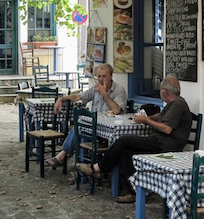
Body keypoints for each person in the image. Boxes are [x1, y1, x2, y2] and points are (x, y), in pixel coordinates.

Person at [79, 75, 192, 203]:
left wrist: (146, 121)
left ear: (165, 92)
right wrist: (145, 117)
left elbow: (167, 129)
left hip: (166, 145)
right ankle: (134, 191)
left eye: (160, 90)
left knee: (124, 140)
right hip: (160, 141)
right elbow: (161, 115)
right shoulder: (174, 103)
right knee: (125, 152)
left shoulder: (178, 104)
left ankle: (98, 168)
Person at [45, 63, 127, 168]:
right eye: (99, 76)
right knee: (79, 125)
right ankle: (66, 156)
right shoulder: (95, 88)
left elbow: (116, 110)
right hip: (96, 127)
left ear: (111, 76)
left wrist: (104, 94)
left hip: (112, 130)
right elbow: (78, 97)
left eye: (104, 76)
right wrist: (61, 99)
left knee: (80, 127)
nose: (101, 79)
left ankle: (64, 156)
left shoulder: (119, 90)